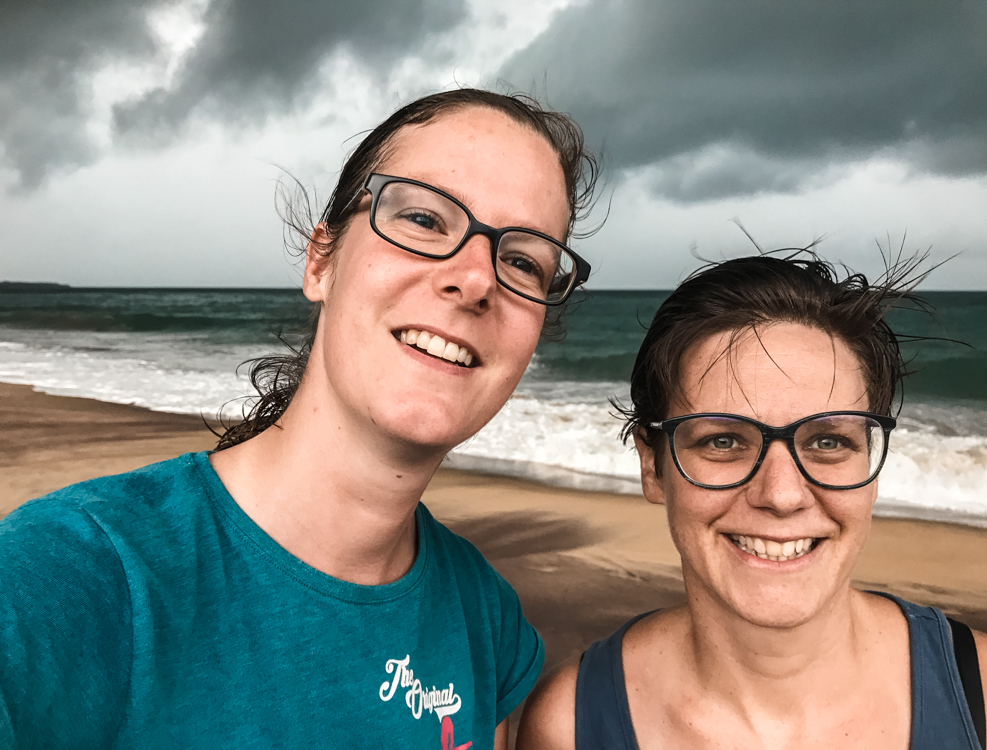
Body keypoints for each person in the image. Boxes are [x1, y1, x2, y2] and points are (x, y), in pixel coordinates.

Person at [0, 89, 597, 749]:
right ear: (321, 260)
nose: (476, 278)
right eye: (425, 220)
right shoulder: (69, 576)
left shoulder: (486, 622)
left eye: (522, 261)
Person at [517, 253, 987, 749]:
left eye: (829, 442)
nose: (782, 495)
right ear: (651, 465)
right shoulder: (570, 725)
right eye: (723, 441)